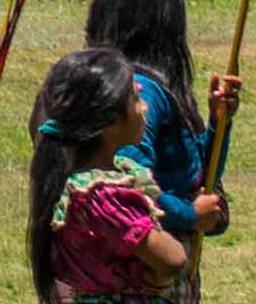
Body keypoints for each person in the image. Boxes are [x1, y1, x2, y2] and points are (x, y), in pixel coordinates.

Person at [85, 0, 235, 303]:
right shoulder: (142, 93)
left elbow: (199, 172)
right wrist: (190, 215)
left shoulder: (159, 89)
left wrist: (219, 123)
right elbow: (130, 185)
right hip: (148, 269)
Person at [25, 47, 187, 304]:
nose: (145, 107)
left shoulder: (81, 180)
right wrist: (159, 274)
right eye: (136, 99)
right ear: (110, 123)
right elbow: (172, 259)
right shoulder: (102, 196)